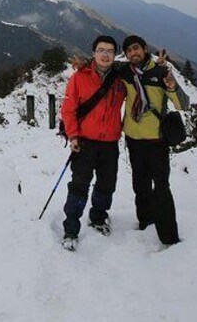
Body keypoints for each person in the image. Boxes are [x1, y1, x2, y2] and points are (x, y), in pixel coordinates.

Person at [118, 35, 189, 246]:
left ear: (144, 48)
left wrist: (172, 86)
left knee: (161, 187)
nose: (133, 53)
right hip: (133, 139)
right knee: (140, 185)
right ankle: (145, 223)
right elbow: (102, 64)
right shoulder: (125, 72)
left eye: (136, 48)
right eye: (129, 51)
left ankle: (168, 236)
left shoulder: (160, 72)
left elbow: (182, 104)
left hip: (156, 141)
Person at [60, 35, 126, 251]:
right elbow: (68, 110)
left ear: (115, 54)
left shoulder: (121, 78)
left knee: (106, 185)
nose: (105, 54)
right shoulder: (80, 77)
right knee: (79, 185)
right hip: (85, 142)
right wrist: (73, 136)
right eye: (101, 50)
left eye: (109, 50)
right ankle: (71, 229)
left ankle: (98, 217)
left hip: (110, 142)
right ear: (94, 53)